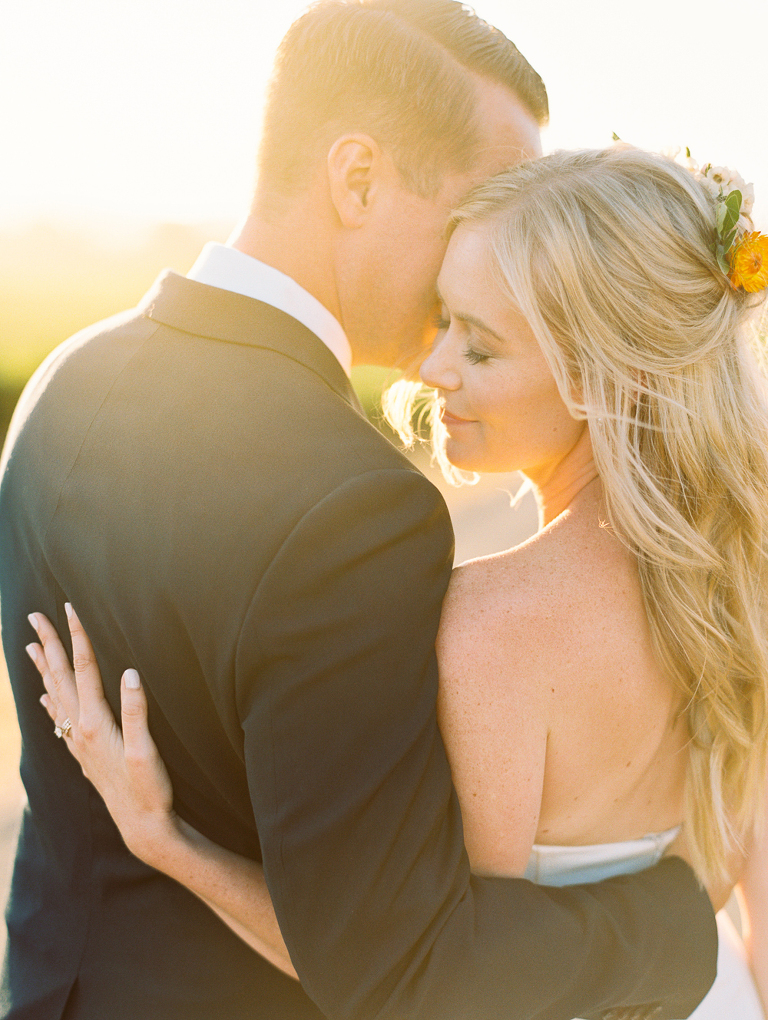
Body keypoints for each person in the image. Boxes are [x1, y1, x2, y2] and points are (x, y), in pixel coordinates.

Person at [0, 0, 718, 1016]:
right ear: (359, 179)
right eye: (478, 210)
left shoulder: (65, 383)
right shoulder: (358, 506)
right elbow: (404, 967)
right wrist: (681, 929)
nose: (489, 254)